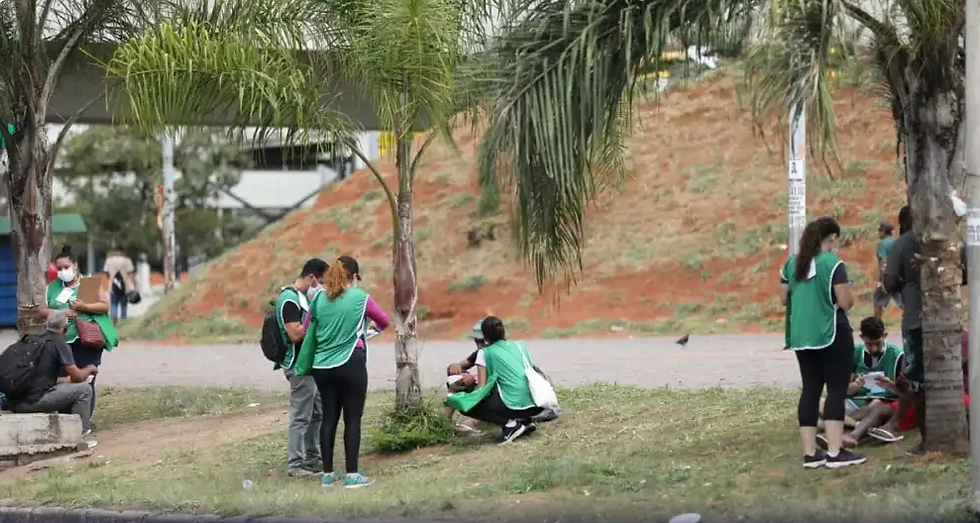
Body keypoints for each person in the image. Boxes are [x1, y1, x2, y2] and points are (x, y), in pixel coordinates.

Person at [294, 256, 390, 489]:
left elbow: (305, 329)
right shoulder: (360, 297)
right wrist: (368, 330)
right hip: (351, 363)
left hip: (322, 368)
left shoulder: (318, 300)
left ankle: (327, 475)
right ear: (353, 276)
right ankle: (352, 474)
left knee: (329, 418)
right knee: (352, 419)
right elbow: (384, 321)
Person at [780, 217, 866, 469]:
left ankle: (810, 455)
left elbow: (784, 300)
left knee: (810, 390)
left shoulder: (790, 264)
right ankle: (835, 452)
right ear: (832, 237)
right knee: (836, 390)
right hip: (832, 332)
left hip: (800, 336)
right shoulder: (833, 263)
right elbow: (845, 302)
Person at [42, 245, 118, 427]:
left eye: (66, 267)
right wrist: (61, 313)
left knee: (85, 379)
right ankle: (66, 419)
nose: (62, 272)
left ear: (75, 265)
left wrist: (84, 307)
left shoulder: (88, 284)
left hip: (85, 339)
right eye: (59, 268)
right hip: (61, 341)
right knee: (62, 380)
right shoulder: (52, 288)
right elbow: (42, 309)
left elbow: (104, 306)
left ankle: (84, 421)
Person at [446, 320, 561, 433]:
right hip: (533, 403)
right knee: (460, 380)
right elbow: (461, 367)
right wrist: (455, 367)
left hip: (512, 399)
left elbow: (484, 387)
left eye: (481, 342)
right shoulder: (517, 346)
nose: (479, 346)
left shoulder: (487, 353)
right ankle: (447, 421)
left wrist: (470, 383)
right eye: (477, 342)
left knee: (466, 399)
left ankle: (501, 423)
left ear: (487, 339)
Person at [5, 310, 98, 434]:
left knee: (64, 383)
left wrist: (63, 381)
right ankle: (79, 434)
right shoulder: (59, 344)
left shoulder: (33, 341)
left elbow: (36, 377)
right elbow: (78, 377)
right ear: (65, 328)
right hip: (33, 402)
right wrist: (90, 368)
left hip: (14, 401)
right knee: (84, 390)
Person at [817, 317, 905, 448]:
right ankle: (855, 424)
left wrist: (889, 385)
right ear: (861, 337)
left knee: (875, 404)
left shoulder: (897, 355)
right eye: (869, 344)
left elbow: (905, 394)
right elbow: (843, 391)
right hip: (856, 401)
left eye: (878, 343)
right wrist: (856, 385)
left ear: (885, 336)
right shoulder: (855, 353)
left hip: (881, 402)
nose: (874, 349)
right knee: (817, 403)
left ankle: (840, 427)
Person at [276, 258, 328, 478]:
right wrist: (314, 319)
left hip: (308, 365)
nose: (323, 287)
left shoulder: (302, 298)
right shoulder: (289, 300)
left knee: (317, 412)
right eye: (321, 281)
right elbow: (295, 334)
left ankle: (312, 459)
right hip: (298, 366)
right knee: (301, 415)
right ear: (312, 278)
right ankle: (295, 464)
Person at [103, 246, 136, 324]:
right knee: (124, 305)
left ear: (114, 251)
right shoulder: (127, 260)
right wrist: (133, 285)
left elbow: (106, 272)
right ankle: (123, 321)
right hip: (125, 287)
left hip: (113, 286)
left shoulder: (109, 260)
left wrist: (111, 279)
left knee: (114, 304)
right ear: (122, 251)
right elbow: (130, 273)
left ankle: (114, 321)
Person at [873, 222, 897, 319]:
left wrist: (883, 281)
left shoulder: (882, 244)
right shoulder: (897, 242)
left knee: (877, 303)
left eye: (879, 231)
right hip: (898, 276)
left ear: (883, 232)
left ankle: (877, 328)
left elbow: (883, 262)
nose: (878, 233)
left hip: (887, 277)